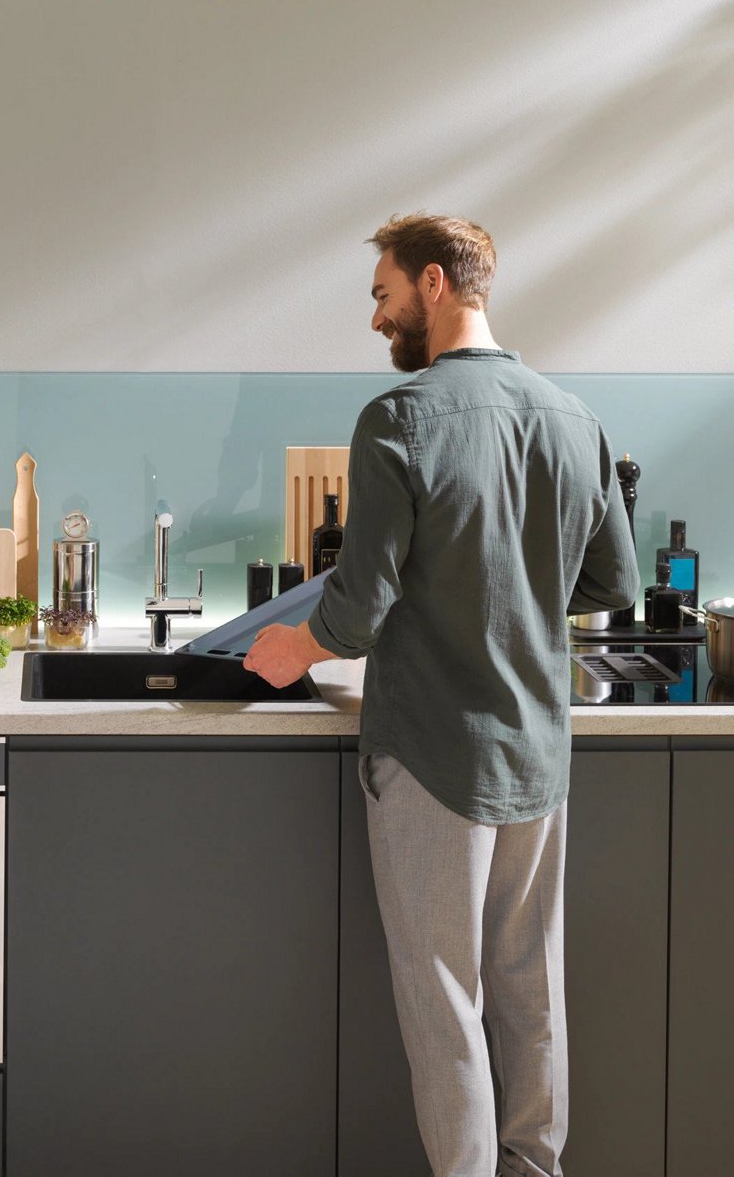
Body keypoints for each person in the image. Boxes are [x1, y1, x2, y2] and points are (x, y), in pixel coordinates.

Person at [244, 214, 638, 1176]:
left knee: (442, 994)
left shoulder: (399, 418)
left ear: (432, 284)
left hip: (431, 754)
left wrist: (290, 647)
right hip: (537, 750)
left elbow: (359, 609)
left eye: (382, 295)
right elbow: (614, 588)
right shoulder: (574, 418)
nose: (378, 319)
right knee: (527, 987)